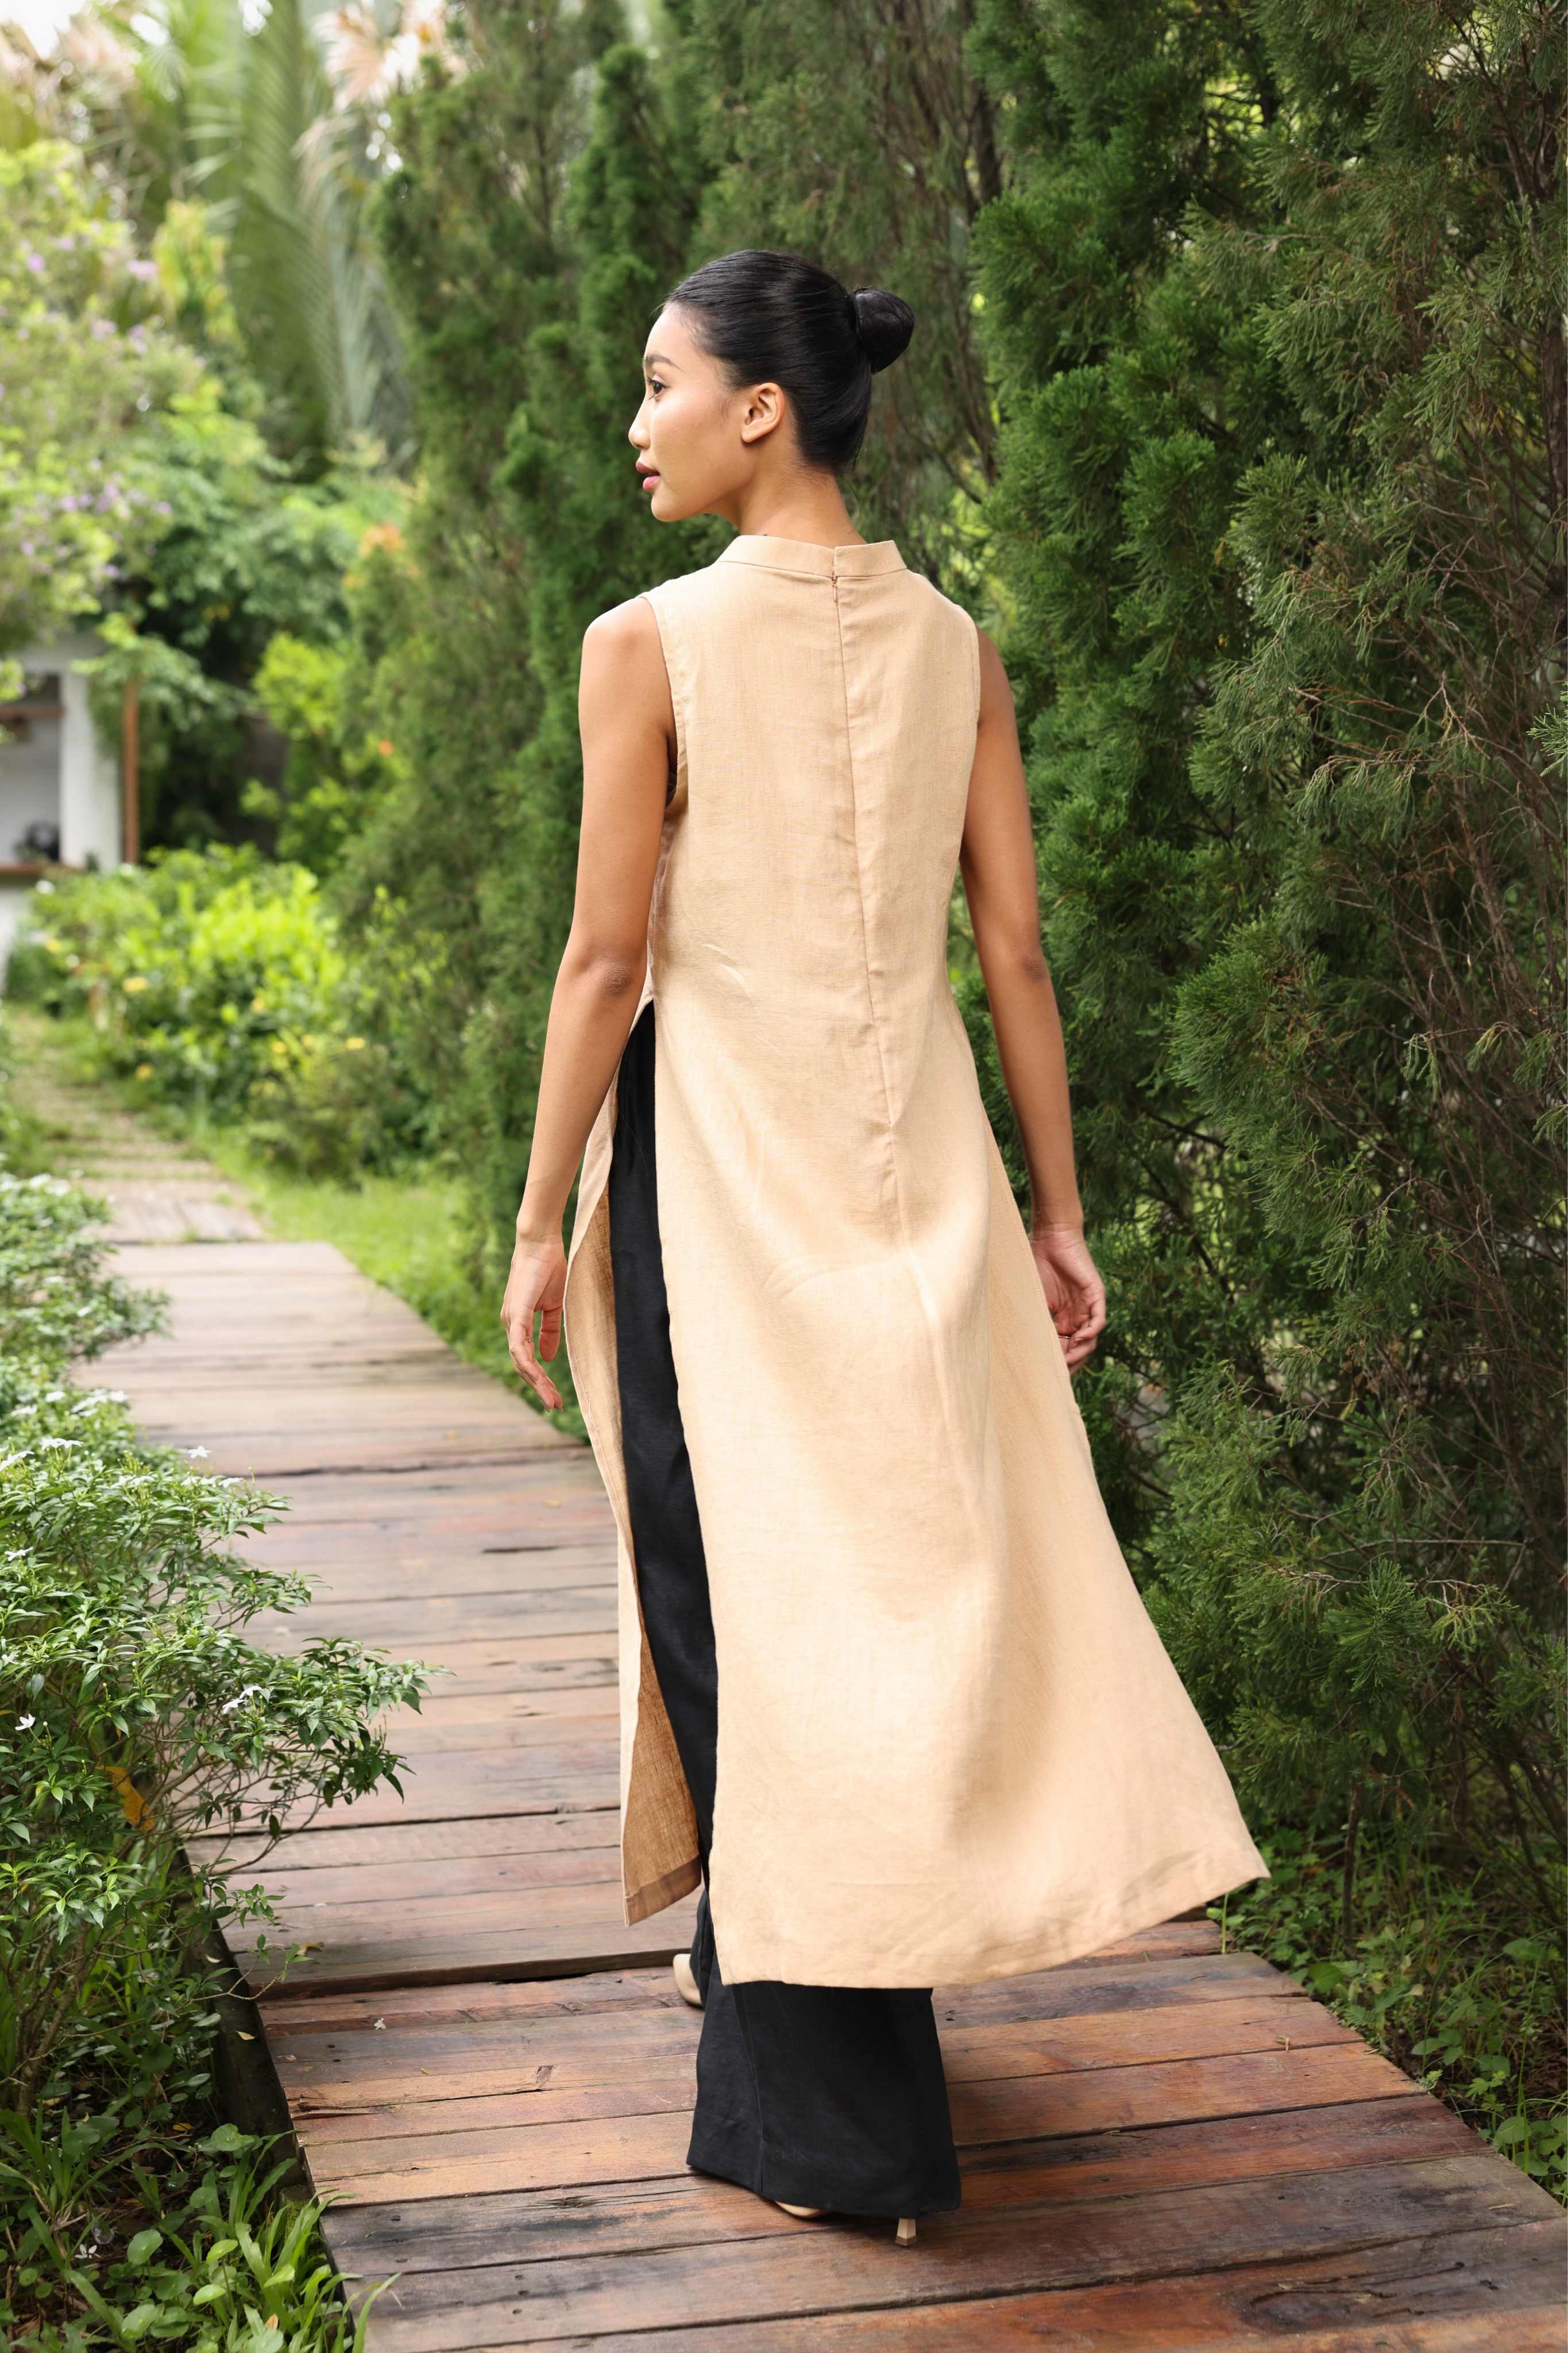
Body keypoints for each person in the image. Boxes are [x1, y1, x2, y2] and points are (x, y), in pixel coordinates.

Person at [499, 247, 1268, 2243]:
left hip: (720, 1174)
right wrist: (1057, 1209)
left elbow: (602, 959)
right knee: (875, 1600)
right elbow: (1011, 951)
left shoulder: (646, 639)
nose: (638, 420)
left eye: (660, 383)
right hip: (913, 1176)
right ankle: (765, 1946)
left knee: (732, 1605)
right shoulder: (956, 644)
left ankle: (838, 2131)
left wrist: (531, 1218)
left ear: (764, 407)